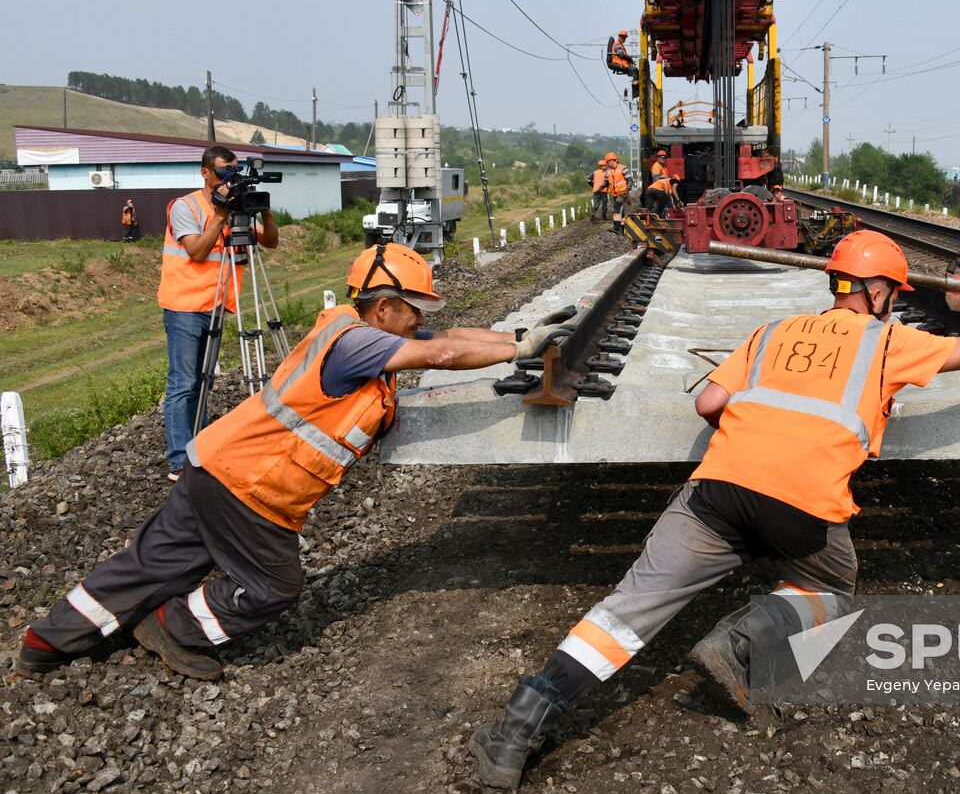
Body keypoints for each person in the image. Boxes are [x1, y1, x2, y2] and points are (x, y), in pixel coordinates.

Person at [470, 230, 960, 789]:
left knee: (625, 613)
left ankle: (515, 730)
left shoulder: (771, 333)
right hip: (803, 505)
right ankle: (739, 638)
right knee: (833, 588)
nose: (892, 300)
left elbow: (710, 402)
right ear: (874, 290)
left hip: (718, 491)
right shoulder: (888, 340)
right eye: (892, 289)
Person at [15, 243, 577, 683]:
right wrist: (518, 353)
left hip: (214, 463)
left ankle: (46, 643)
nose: (418, 323)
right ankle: (174, 627)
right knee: (273, 588)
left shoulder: (355, 331)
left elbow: (449, 335)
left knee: (153, 563)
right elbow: (446, 353)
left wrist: (520, 335)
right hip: (252, 490)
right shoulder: (360, 344)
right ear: (384, 306)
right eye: (413, 311)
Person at [158, 145, 279, 483]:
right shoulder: (186, 207)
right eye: (225, 170)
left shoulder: (234, 207)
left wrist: (264, 211)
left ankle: (198, 445)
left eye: (234, 170)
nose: (230, 177)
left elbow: (270, 242)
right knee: (184, 383)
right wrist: (220, 214)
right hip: (184, 306)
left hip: (215, 306)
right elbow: (197, 251)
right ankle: (179, 461)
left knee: (201, 382)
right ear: (205, 172)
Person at [604, 152, 629, 234]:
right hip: (614, 194)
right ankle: (623, 227)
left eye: (610, 161)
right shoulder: (608, 172)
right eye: (608, 162)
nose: (609, 163)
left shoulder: (623, 168)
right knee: (621, 211)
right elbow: (606, 183)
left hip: (623, 193)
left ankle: (616, 227)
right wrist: (599, 188)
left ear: (614, 160)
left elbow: (630, 180)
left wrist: (627, 190)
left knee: (616, 206)